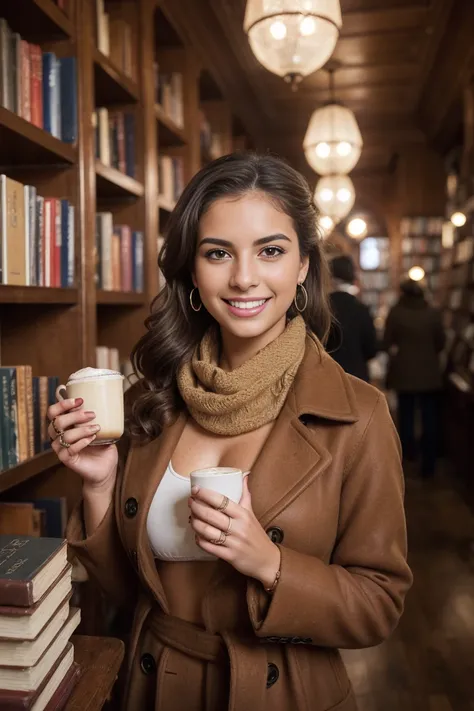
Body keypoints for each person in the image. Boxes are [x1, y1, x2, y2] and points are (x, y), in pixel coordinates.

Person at [47, 153, 412, 711]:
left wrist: (270, 563)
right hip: (149, 688)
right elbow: (129, 593)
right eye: (219, 253)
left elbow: (378, 604)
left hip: (283, 694)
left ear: (303, 267)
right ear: (193, 271)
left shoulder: (358, 415)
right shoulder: (154, 401)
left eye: (271, 250)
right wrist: (100, 484)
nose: (244, 277)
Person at [384, 278, 445, 478]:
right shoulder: (433, 313)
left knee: (406, 417)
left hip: (404, 373)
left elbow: (387, 341)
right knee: (429, 419)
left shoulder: (396, 313)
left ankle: (407, 458)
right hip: (429, 373)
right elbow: (441, 342)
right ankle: (429, 464)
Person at [326, 254, 378, 382]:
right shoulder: (361, 308)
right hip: (357, 378)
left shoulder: (321, 309)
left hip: (327, 377)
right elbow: (371, 349)